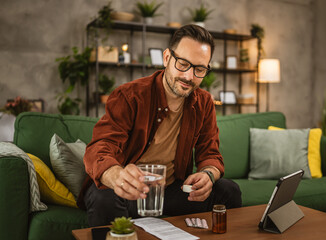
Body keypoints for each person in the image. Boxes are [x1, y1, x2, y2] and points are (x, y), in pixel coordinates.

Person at [79, 24, 242, 226]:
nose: (188, 77)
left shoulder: (204, 102)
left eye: (199, 69)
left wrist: (208, 174)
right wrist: (116, 175)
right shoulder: (129, 96)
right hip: (126, 190)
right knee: (104, 199)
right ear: (167, 58)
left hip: (171, 191)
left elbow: (210, 154)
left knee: (229, 191)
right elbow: (100, 147)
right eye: (183, 64)